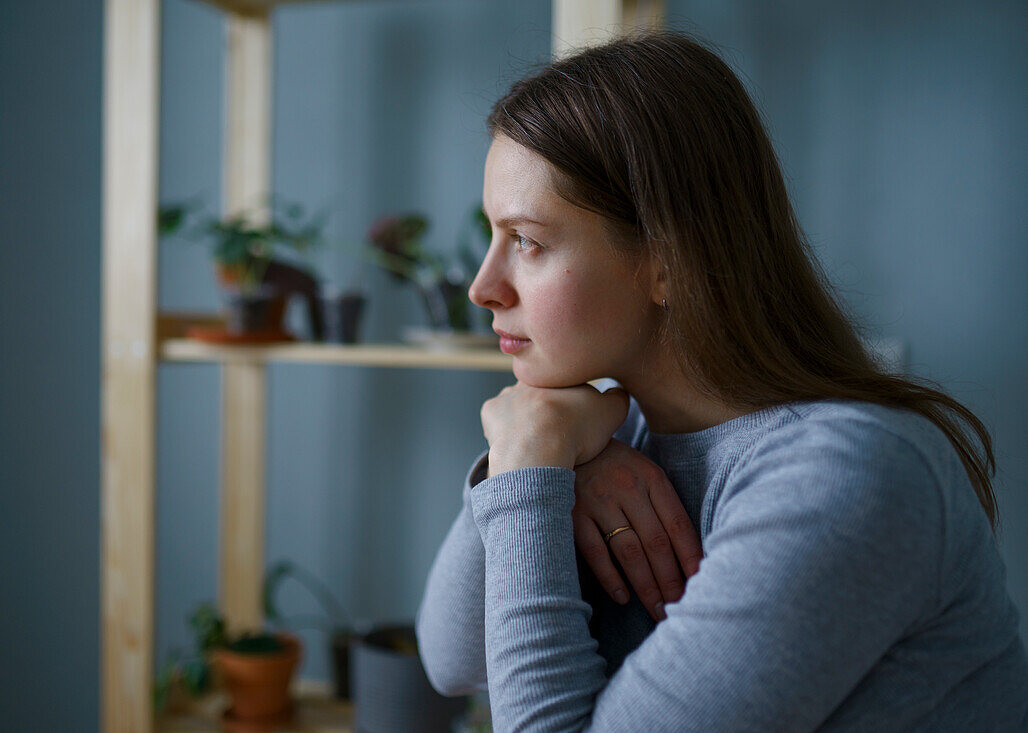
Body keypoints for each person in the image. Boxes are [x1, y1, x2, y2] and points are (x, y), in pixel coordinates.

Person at [414, 30, 1028, 731]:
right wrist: (541, 451)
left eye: (528, 241)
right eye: (493, 237)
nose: (482, 286)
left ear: (668, 259)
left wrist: (526, 466)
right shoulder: (622, 432)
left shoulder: (847, 475)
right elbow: (452, 656)